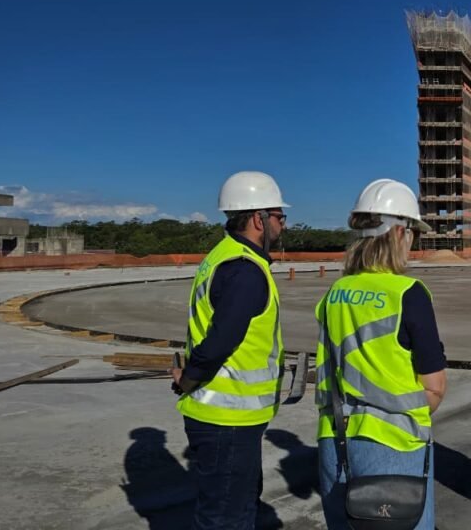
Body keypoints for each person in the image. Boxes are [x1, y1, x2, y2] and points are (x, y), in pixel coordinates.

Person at [315, 178, 447, 530]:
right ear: (399, 232)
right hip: (393, 448)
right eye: (413, 234)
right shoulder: (408, 293)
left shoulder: (335, 293)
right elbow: (434, 389)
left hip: (335, 440)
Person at [170, 170, 288, 530]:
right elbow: (221, 340)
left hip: (224, 417)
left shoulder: (223, 256)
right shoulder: (244, 271)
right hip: (228, 419)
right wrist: (189, 378)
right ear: (258, 219)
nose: (283, 224)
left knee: (233, 510)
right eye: (279, 216)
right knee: (227, 519)